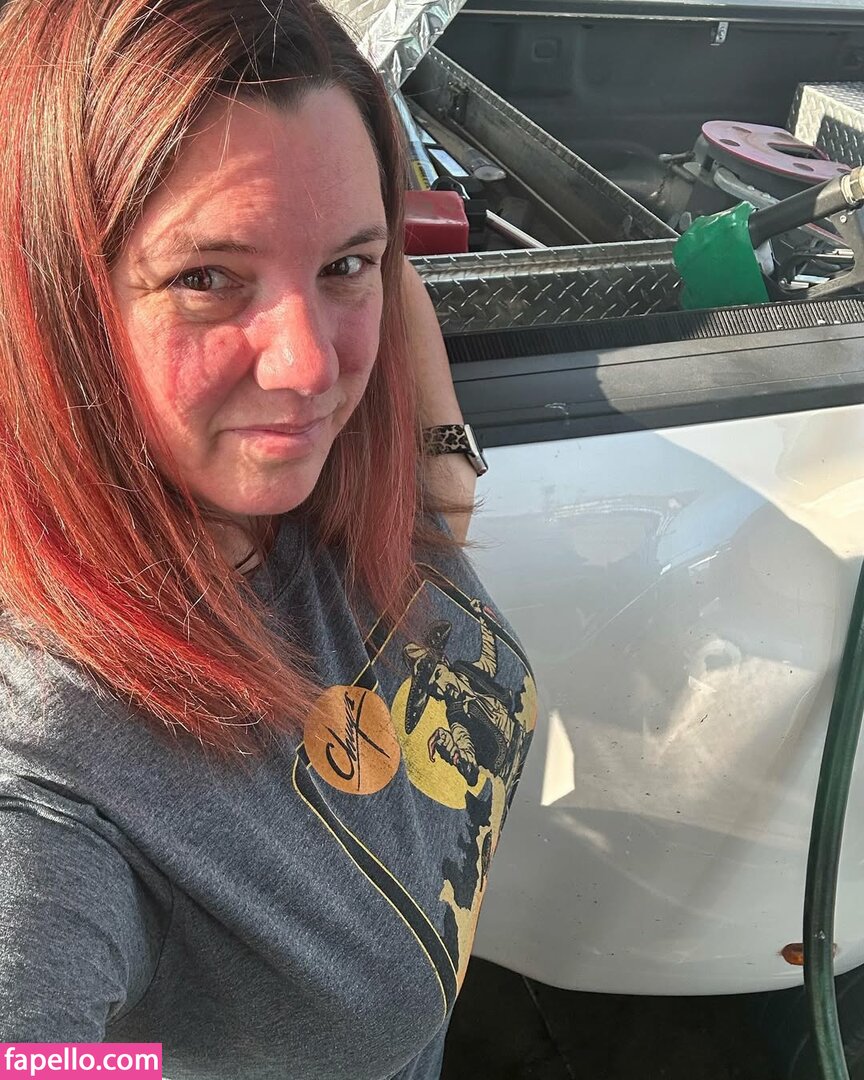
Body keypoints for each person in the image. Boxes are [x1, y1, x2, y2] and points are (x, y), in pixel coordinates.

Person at [0, 0, 537, 1076]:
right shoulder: (51, 763)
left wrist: (440, 460)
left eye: (343, 267)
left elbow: (382, 268)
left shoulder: (305, 472)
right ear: (50, 297)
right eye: (206, 278)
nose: (311, 369)